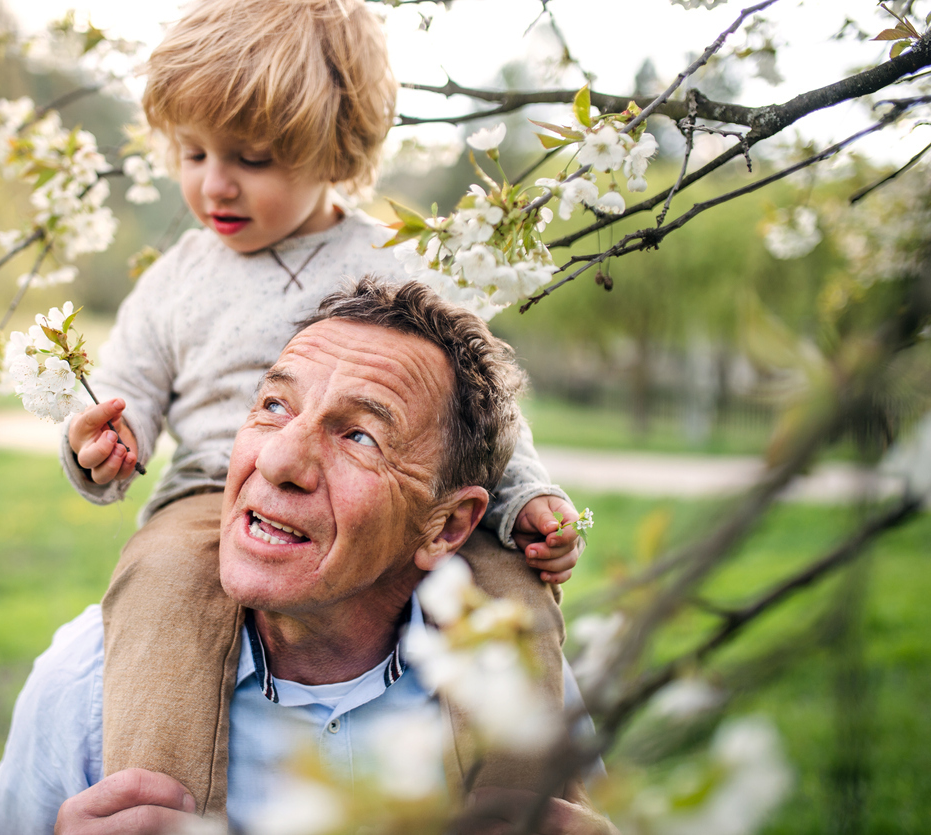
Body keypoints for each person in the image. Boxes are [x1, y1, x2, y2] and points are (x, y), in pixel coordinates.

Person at [60, 0, 586, 790]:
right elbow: (124, 388)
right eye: (193, 153)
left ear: (335, 150)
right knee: (162, 580)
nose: (214, 184)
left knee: (509, 587)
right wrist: (100, 444)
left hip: (394, 500)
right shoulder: (177, 279)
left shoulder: (398, 261)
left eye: (253, 159)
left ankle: (531, 802)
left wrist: (527, 498)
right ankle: (156, 799)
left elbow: (481, 416)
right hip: (215, 494)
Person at [0, 280, 615, 835]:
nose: (277, 461)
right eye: (273, 405)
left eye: (359, 434)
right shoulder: (90, 679)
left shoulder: (515, 689)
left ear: (446, 526)